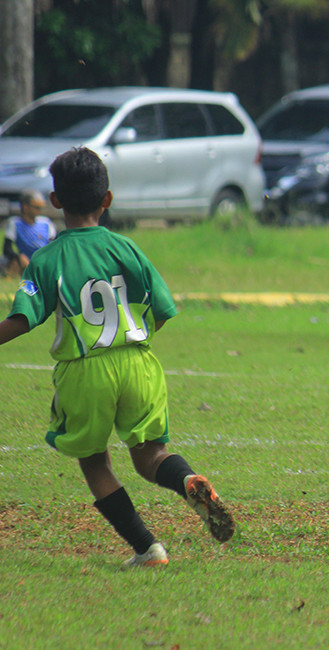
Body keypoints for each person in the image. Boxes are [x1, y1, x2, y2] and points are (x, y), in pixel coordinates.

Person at [0, 148, 234, 568]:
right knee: (151, 456)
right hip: (139, 364)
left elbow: (22, 319)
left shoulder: (48, 258)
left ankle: (147, 548)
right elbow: (163, 311)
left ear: (55, 202)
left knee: (94, 461)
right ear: (107, 199)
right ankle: (187, 480)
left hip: (85, 371)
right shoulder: (127, 248)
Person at [3, 189, 57, 278]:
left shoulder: (46, 223)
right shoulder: (15, 223)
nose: (40, 211)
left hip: (44, 261)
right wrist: (18, 256)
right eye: (36, 207)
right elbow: (7, 249)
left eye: (41, 207)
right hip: (25, 262)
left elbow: (55, 245)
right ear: (25, 207)